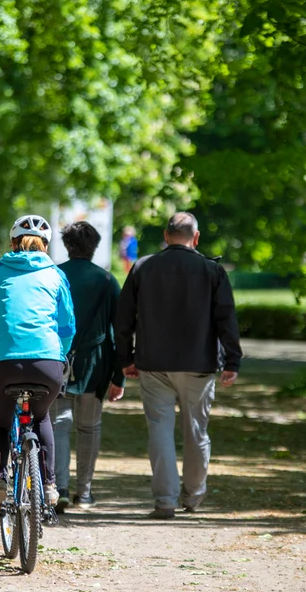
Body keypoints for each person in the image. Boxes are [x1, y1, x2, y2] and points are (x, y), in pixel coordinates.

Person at [114, 212, 242, 519]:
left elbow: (122, 320)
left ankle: (165, 501)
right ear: (195, 238)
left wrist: (126, 359)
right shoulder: (212, 270)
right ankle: (194, 496)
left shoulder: (143, 267)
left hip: (153, 363)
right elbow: (227, 318)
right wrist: (232, 360)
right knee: (196, 431)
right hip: (199, 364)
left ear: (166, 234)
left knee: (159, 430)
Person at [0, 215, 76, 519]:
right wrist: (59, 354)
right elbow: (67, 327)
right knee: (41, 418)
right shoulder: (56, 275)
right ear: (46, 245)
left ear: (13, 243)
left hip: (5, 363)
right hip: (48, 365)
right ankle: (50, 485)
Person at [50, 222, 125, 512]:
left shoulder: (54, 275)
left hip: (57, 359)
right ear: (94, 246)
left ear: (67, 245)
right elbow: (121, 331)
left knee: (59, 424)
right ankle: (85, 492)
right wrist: (120, 374)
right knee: (89, 427)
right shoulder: (107, 280)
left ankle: (60, 489)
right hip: (96, 363)